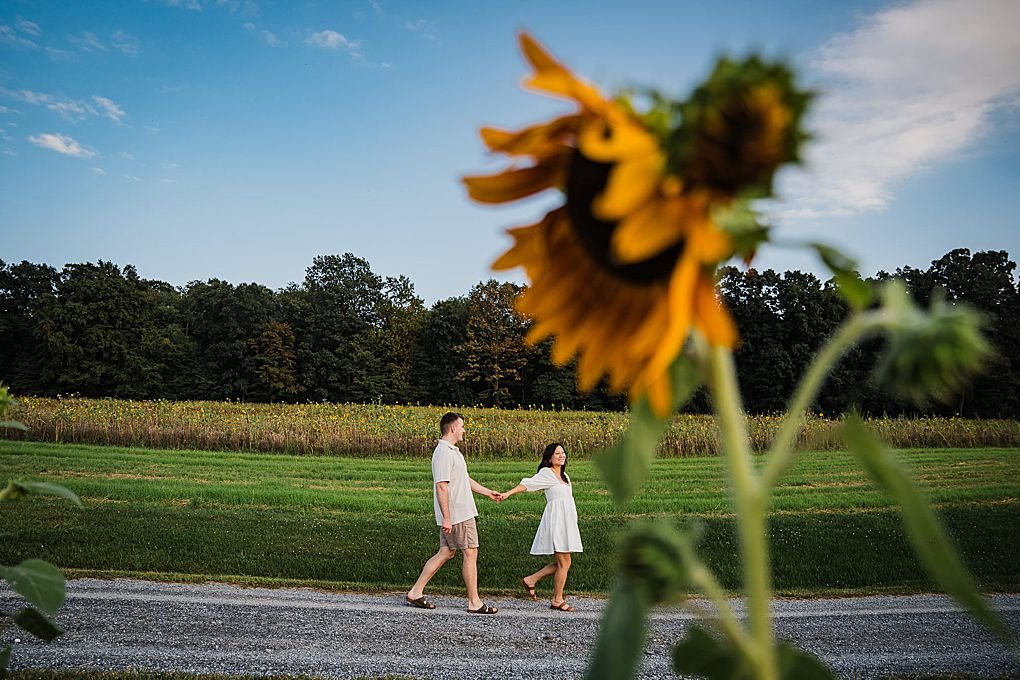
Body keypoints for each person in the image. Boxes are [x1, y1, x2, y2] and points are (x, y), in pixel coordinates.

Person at [406, 411, 502, 614]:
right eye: (462, 426)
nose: (464, 430)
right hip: (458, 512)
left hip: (457, 511)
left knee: (447, 552)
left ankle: (415, 592)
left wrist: (487, 492)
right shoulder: (443, 453)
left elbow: (463, 479)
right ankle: (474, 602)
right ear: (452, 428)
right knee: (470, 552)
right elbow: (441, 486)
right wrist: (447, 517)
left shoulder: (453, 451)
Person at [499, 442, 583, 612]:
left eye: (563, 453)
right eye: (557, 453)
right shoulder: (547, 473)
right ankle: (557, 599)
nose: (561, 455)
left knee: (564, 562)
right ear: (549, 457)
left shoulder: (565, 476)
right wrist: (508, 493)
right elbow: (527, 484)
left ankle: (531, 579)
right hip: (556, 521)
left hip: (567, 522)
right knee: (564, 562)